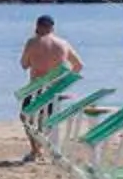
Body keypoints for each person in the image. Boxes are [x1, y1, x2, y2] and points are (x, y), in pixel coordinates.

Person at [18, 13, 82, 161]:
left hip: (35, 88)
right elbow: (78, 66)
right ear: (52, 28)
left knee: (26, 117)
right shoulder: (63, 44)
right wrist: (63, 82)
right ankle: (39, 149)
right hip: (54, 90)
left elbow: (24, 65)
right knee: (45, 120)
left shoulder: (32, 42)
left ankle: (35, 150)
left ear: (38, 27)